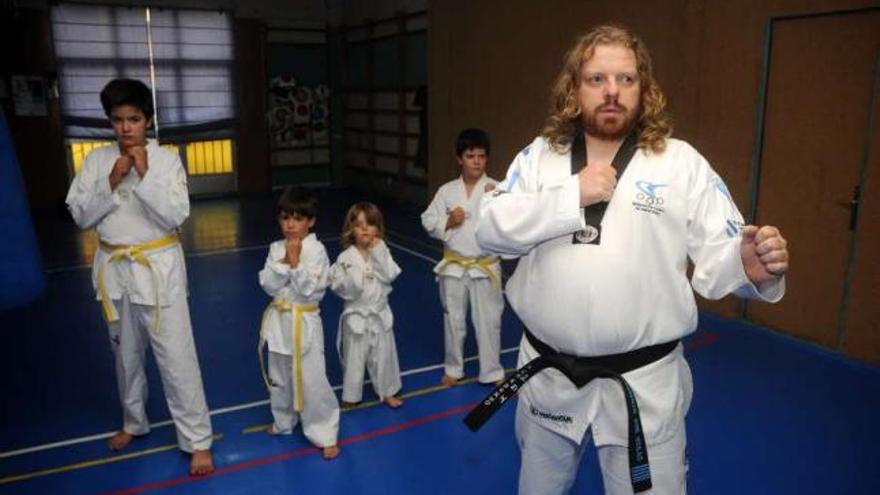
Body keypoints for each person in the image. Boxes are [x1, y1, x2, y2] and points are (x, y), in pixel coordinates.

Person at [471, 24, 789, 495]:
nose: (612, 91)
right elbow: (490, 229)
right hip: (550, 378)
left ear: (645, 89)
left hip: (643, 386)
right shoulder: (541, 157)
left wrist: (748, 266)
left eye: (626, 79)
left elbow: (720, 256)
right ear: (574, 88)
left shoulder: (681, 164)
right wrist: (569, 196)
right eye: (597, 79)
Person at [65, 78, 214, 475]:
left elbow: (175, 216)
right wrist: (111, 180)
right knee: (125, 356)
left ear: (148, 120)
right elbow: (80, 216)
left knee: (177, 356)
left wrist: (145, 174)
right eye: (117, 120)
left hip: (159, 269)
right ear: (109, 122)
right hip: (115, 272)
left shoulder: (165, 160)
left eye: (134, 119)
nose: (125, 127)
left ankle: (197, 439)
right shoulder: (97, 161)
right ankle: (134, 422)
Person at [258, 186, 340, 460]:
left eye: (297, 218)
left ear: (311, 221)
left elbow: (311, 290)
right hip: (279, 323)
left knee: (312, 378)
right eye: (285, 218)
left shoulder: (317, 250)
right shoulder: (274, 248)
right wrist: (284, 264)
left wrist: (294, 264)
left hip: (304, 322)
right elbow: (268, 285)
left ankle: (325, 432)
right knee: (279, 376)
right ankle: (283, 422)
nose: (290, 224)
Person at [421, 128, 505, 387]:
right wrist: (448, 221)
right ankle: (454, 369)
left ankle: (491, 371)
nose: (477, 161)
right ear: (460, 159)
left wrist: (499, 201)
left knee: (489, 321)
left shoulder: (496, 189)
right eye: (471, 156)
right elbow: (427, 219)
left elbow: (512, 223)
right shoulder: (447, 191)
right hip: (454, 266)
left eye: (482, 156)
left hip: (485, 265)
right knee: (453, 319)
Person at [329, 202, 404, 409]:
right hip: (356, 315)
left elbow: (390, 274)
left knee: (384, 355)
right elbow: (340, 288)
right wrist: (356, 278)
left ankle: (387, 391)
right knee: (354, 357)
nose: (364, 228)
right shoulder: (345, 258)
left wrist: (379, 251)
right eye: (359, 224)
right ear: (350, 230)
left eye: (370, 224)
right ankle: (351, 395)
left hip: (379, 313)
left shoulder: (382, 251)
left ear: (378, 230)